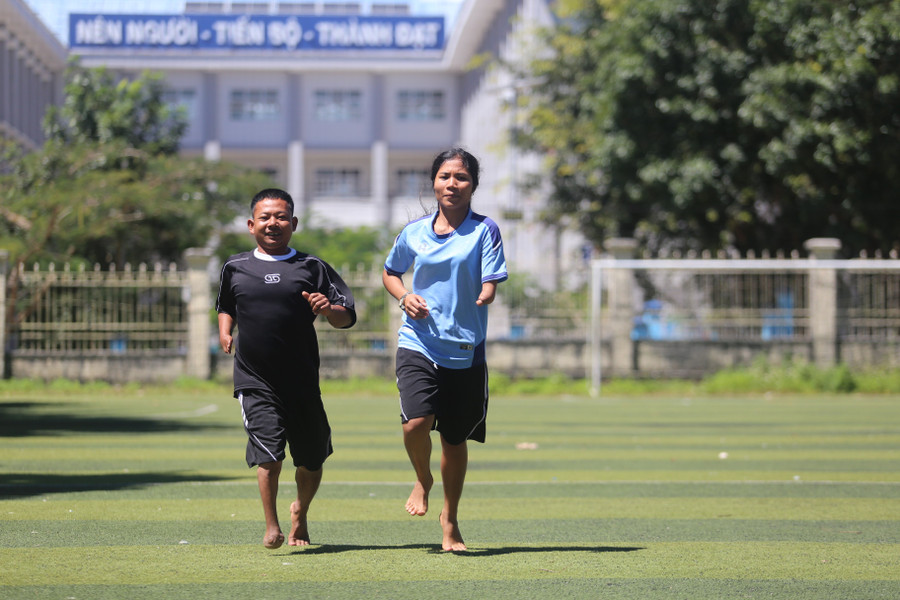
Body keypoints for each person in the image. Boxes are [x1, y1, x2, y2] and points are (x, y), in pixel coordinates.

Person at [382, 148, 508, 551]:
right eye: (444, 176)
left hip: (466, 350)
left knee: (455, 440)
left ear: (473, 185)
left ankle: (450, 518)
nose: (452, 184)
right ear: (433, 182)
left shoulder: (485, 230)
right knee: (415, 424)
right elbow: (390, 272)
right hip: (417, 341)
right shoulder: (413, 232)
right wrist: (405, 297)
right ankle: (422, 478)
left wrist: (487, 293)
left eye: (461, 177)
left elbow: (491, 277)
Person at [216, 188, 356, 549]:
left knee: (311, 459)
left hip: (302, 382)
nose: (272, 223)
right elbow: (225, 304)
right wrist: (224, 331)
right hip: (255, 379)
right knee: (270, 456)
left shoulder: (312, 268)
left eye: (280, 217)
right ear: (251, 225)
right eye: (265, 217)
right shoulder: (235, 267)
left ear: (293, 223)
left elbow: (346, 318)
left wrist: (328, 309)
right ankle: (272, 526)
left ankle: (301, 513)